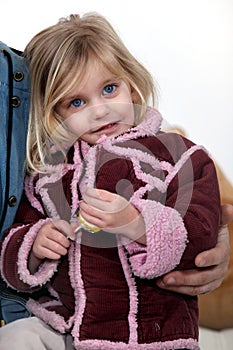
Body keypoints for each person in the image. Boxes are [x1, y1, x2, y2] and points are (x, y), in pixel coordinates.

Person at [0, 13, 230, 349]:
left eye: (110, 89)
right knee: (17, 336)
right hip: (69, 327)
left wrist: (138, 224)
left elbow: (201, 231)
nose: (99, 111)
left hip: (154, 334)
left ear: (132, 83)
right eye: (76, 102)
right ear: (52, 114)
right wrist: (33, 246)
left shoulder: (180, 156)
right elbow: (14, 236)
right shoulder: (47, 174)